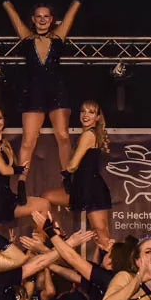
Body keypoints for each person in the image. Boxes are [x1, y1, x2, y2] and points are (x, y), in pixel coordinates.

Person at [0, 0, 94, 200]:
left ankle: (67, 177)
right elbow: (11, 12)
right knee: (28, 140)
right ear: (33, 20)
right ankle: (21, 182)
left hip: (57, 91)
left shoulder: (58, 37)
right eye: (38, 16)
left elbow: (73, 10)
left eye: (46, 16)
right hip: (33, 93)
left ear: (52, 19)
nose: (42, 19)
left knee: (63, 136)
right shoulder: (26, 38)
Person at [41, 101, 113, 245]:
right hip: (81, 188)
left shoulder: (89, 135)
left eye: (91, 112)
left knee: (101, 233)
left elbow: (73, 164)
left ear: (98, 117)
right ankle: (58, 232)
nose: (85, 115)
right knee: (46, 197)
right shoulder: (86, 134)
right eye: (83, 111)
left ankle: (112, 260)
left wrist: (66, 174)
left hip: (92, 189)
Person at [0, 106, 51, 227]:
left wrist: (32, 139)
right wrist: (19, 169)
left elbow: (16, 164)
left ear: (4, 120)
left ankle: (39, 238)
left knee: (43, 204)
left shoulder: (4, 142)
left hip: (6, 197)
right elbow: (4, 170)